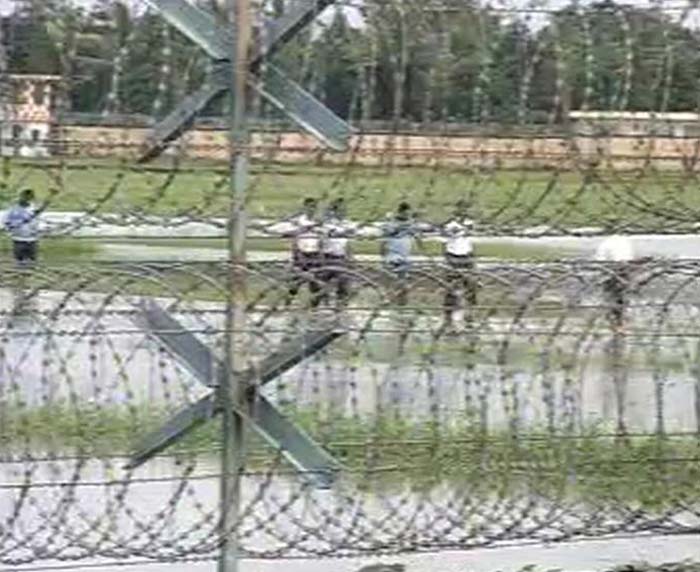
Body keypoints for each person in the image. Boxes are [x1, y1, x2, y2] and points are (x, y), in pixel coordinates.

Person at [442, 200, 477, 327]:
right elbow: (448, 232)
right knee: (451, 285)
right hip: (453, 255)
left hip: (466, 254)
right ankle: (448, 314)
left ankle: (470, 312)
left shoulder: (470, 222)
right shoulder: (450, 224)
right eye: (462, 209)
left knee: (471, 284)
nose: (464, 212)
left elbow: (471, 231)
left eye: (466, 209)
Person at [285, 197, 323, 308]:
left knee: (315, 283)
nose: (311, 209)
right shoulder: (299, 221)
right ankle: (287, 304)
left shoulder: (319, 221)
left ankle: (314, 308)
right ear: (305, 207)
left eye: (314, 207)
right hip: (301, 253)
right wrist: (296, 253)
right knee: (296, 282)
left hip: (314, 253)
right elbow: (294, 236)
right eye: (309, 207)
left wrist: (320, 253)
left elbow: (321, 238)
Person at [381, 201, 420, 306]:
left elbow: (418, 235)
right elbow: (387, 234)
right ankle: (387, 299)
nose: (407, 216)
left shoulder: (411, 224)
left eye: (409, 214)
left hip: (405, 256)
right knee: (390, 279)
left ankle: (402, 303)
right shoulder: (391, 223)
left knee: (404, 281)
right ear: (400, 212)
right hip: (392, 255)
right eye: (405, 213)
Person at [320, 198, 355, 308]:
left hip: (342, 257)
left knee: (344, 285)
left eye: (344, 208)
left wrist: (351, 256)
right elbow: (327, 235)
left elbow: (349, 241)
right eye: (340, 208)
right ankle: (324, 308)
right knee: (323, 284)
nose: (344, 211)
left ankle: (341, 308)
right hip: (328, 257)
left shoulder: (347, 223)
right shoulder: (328, 223)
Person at [594, 235, 635, 329]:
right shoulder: (616, 242)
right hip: (613, 269)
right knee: (616, 297)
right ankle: (617, 323)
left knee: (618, 297)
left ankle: (618, 323)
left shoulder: (617, 242)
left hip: (616, 269)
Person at [4, 188, 40, 266]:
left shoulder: (33, 208)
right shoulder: (13, 209)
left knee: (32, 262)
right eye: (25, 196)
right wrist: (18, 224)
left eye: (29, 197)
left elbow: (37, 218)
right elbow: (7, 223)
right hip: (18, 240)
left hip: (32, 239)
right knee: (20, 262)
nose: (26, 199)